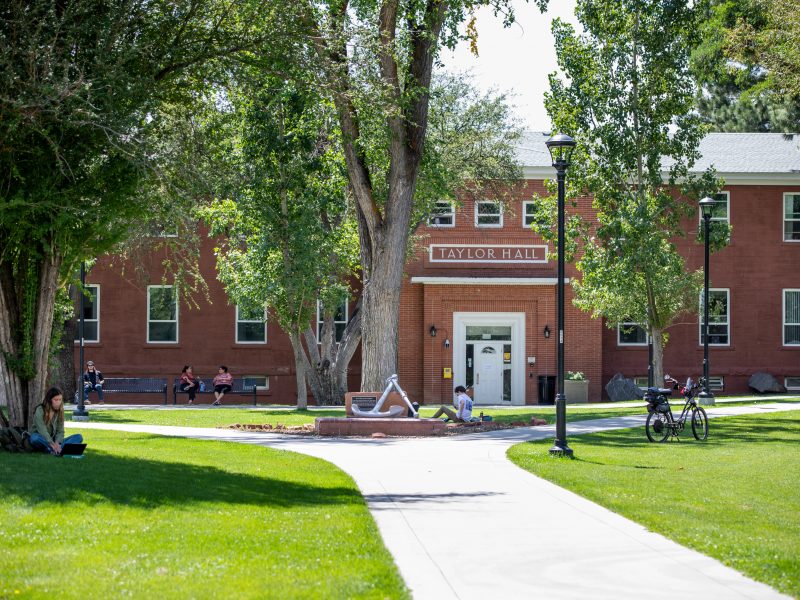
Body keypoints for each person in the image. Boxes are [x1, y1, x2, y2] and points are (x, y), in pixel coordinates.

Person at [29, 387, 84, 455]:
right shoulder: (40, 410)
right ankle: (56, 449)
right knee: (34, 438)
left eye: (60, 400)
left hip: (54, 440)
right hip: (42, 438)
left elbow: (60, 431)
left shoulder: (60, 411)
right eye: (56, 400)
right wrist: (51, 443)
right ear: (50, 400)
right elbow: (42, 430)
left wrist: (58, 443)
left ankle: (54, 450)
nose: (58, 402)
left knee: (78, 437)